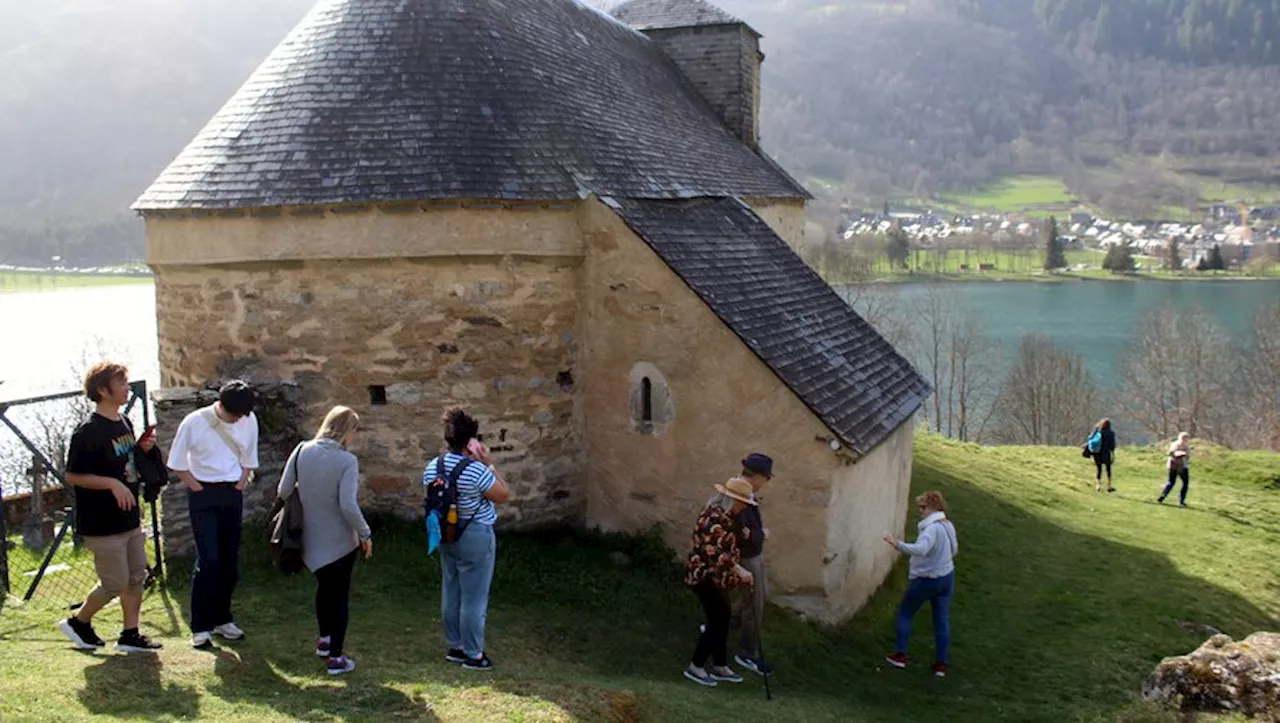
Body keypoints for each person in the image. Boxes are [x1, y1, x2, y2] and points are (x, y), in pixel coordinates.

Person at [56, 362, 163, 653]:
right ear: (103, 390)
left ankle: (130, 635)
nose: (128, 387)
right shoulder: (87, 431)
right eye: (122, 383)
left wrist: (142, 449)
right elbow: (73, 475)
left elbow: (124, 463)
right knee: (114, 582)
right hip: (101, 521)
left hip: (128, 518)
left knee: (136, 578)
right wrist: (111, 484)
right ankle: (79, 622)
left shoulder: (123, 422)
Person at [277, 406, 372, 676]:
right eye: (354, 430)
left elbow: (283, 491)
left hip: (309, 537)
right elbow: (348, 505)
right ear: (346, 431)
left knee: (324, 589)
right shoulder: (346, 461)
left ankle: (324, 640)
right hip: (340, 540)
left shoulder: (301, 450)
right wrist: (365, 533)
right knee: (340, 596)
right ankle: (336, 658)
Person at [167, 380, 259, 649]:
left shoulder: (248, 420)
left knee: (229, 561)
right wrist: (196, 487)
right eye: (234, 415)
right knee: (209, 561)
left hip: (232, 491)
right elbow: (176, 461)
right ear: (221, 405)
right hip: (203, 493)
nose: (237, 420)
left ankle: (223, 619)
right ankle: (200, 626)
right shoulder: (194, 422)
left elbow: (249, 454)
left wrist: (241, 481)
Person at [422, 407, 510, 671]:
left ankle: (455, 646)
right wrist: (488, 464)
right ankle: (474, 654)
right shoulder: (476, 470)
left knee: (452, 589)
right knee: (474, 596)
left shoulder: (432, 467)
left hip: (445, 534)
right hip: (475, 534)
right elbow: (503, 494)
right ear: (471, 441)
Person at [683, 477, 756, 687]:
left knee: (722, 619)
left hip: (719, 579)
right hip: (705, 576)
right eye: (742, 503)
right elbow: (715, 553)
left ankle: (720, 665)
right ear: (731, 500)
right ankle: (696, 666)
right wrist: (740, 570)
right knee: (717, 621)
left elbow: (734, 542)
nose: (744, 507)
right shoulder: (713, 518)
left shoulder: (728, 517)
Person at [883, 490, 958, 678]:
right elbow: (954, 549)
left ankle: (900, 655)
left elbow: (921, 549)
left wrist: (896, 544)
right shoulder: (948, 525)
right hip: (947, 577)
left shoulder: (931, 529)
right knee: (941, 620)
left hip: (926, 579)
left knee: (905, 613)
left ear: (932, 507)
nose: (921, 511)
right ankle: (940, 665)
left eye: (923, 507)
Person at [730, 453, 773, 676]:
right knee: (755, 605)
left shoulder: (748, 491)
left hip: (752, 554)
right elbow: (742, 533)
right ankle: (746, 653)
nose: (767, 483)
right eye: (767, 478)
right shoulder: (740, 493)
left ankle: (720, 625)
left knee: (750, 598)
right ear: (757, 477)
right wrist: (761, 534)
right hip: (747, 557)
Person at [1159, 432, 1192, 507]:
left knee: (1171, 482)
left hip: (1172, 466)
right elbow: (1188, 457)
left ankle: (1163, 496)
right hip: (1182, 467)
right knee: (1185, 483)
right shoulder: (1187, 447)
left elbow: (1170, 453)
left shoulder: (1173, 444)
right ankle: (1181, 501)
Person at [1087, 419, 1117, 492]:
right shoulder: (1111, 433)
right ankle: (1109, 486)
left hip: (1097, 452)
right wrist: (1112, 453)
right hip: (1106, 453)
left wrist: (1096, 428)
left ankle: (1098, 485)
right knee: (1108, 469)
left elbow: (1090, 438)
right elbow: (1112, 445)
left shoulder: (1098, 432)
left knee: (1098, 468)